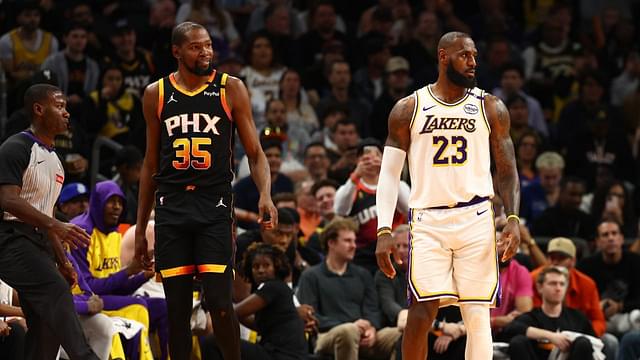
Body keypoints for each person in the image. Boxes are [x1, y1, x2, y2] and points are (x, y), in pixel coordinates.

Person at [134, 22, 278, 360]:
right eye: (197, 47)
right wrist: (141, 229)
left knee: (219, 302)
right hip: (171, 207)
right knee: (178, 311)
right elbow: (149, 164)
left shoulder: (231, 88)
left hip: (213, 204)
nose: (206, 52)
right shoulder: (156, 93)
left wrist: (265, 194)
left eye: (209, 45)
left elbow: (256, 154)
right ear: (177, 52)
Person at [375, 31, 521, 360]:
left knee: (477, 312)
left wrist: (512, 218)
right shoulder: (408, 108)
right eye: (464, 55)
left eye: (474, 56)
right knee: (420, 313)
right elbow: (388, 174)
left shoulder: (490, 106)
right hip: (428, 219)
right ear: (443, 56)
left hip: (477, 216)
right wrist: (385, 229)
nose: (473, 62)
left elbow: (508, 170)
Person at [0, 83, 99, 359]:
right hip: (10, 238)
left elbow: (48, 214)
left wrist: (63, 261)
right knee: (56, 293)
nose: (67, 112)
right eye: (60, 105)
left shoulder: (55, 161)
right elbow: (7, 200)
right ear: (39, 109)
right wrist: (57, 227)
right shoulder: (16, 146)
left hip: (38, 242)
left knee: (46, 324)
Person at [503, 266, 599, 360]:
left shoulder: (577, 317)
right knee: (518, 342)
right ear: (540, 287)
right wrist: (551, 336)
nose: (558, 288)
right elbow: (511, 329)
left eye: (562, 284)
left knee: (583, 343)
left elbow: (596, 343)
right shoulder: (531, 317)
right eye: (553, 283)